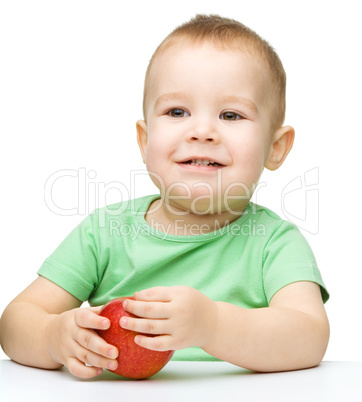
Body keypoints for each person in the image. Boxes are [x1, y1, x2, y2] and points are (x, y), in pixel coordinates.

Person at [0, 14, 330, 379]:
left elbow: (310, 337)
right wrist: (52, 337)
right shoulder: (105, 232)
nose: (202, 131)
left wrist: (213, 326)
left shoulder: (274, 242)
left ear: (276, 148)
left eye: (231, 115)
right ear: (144, 141)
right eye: (177, 111)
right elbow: (15, 321)